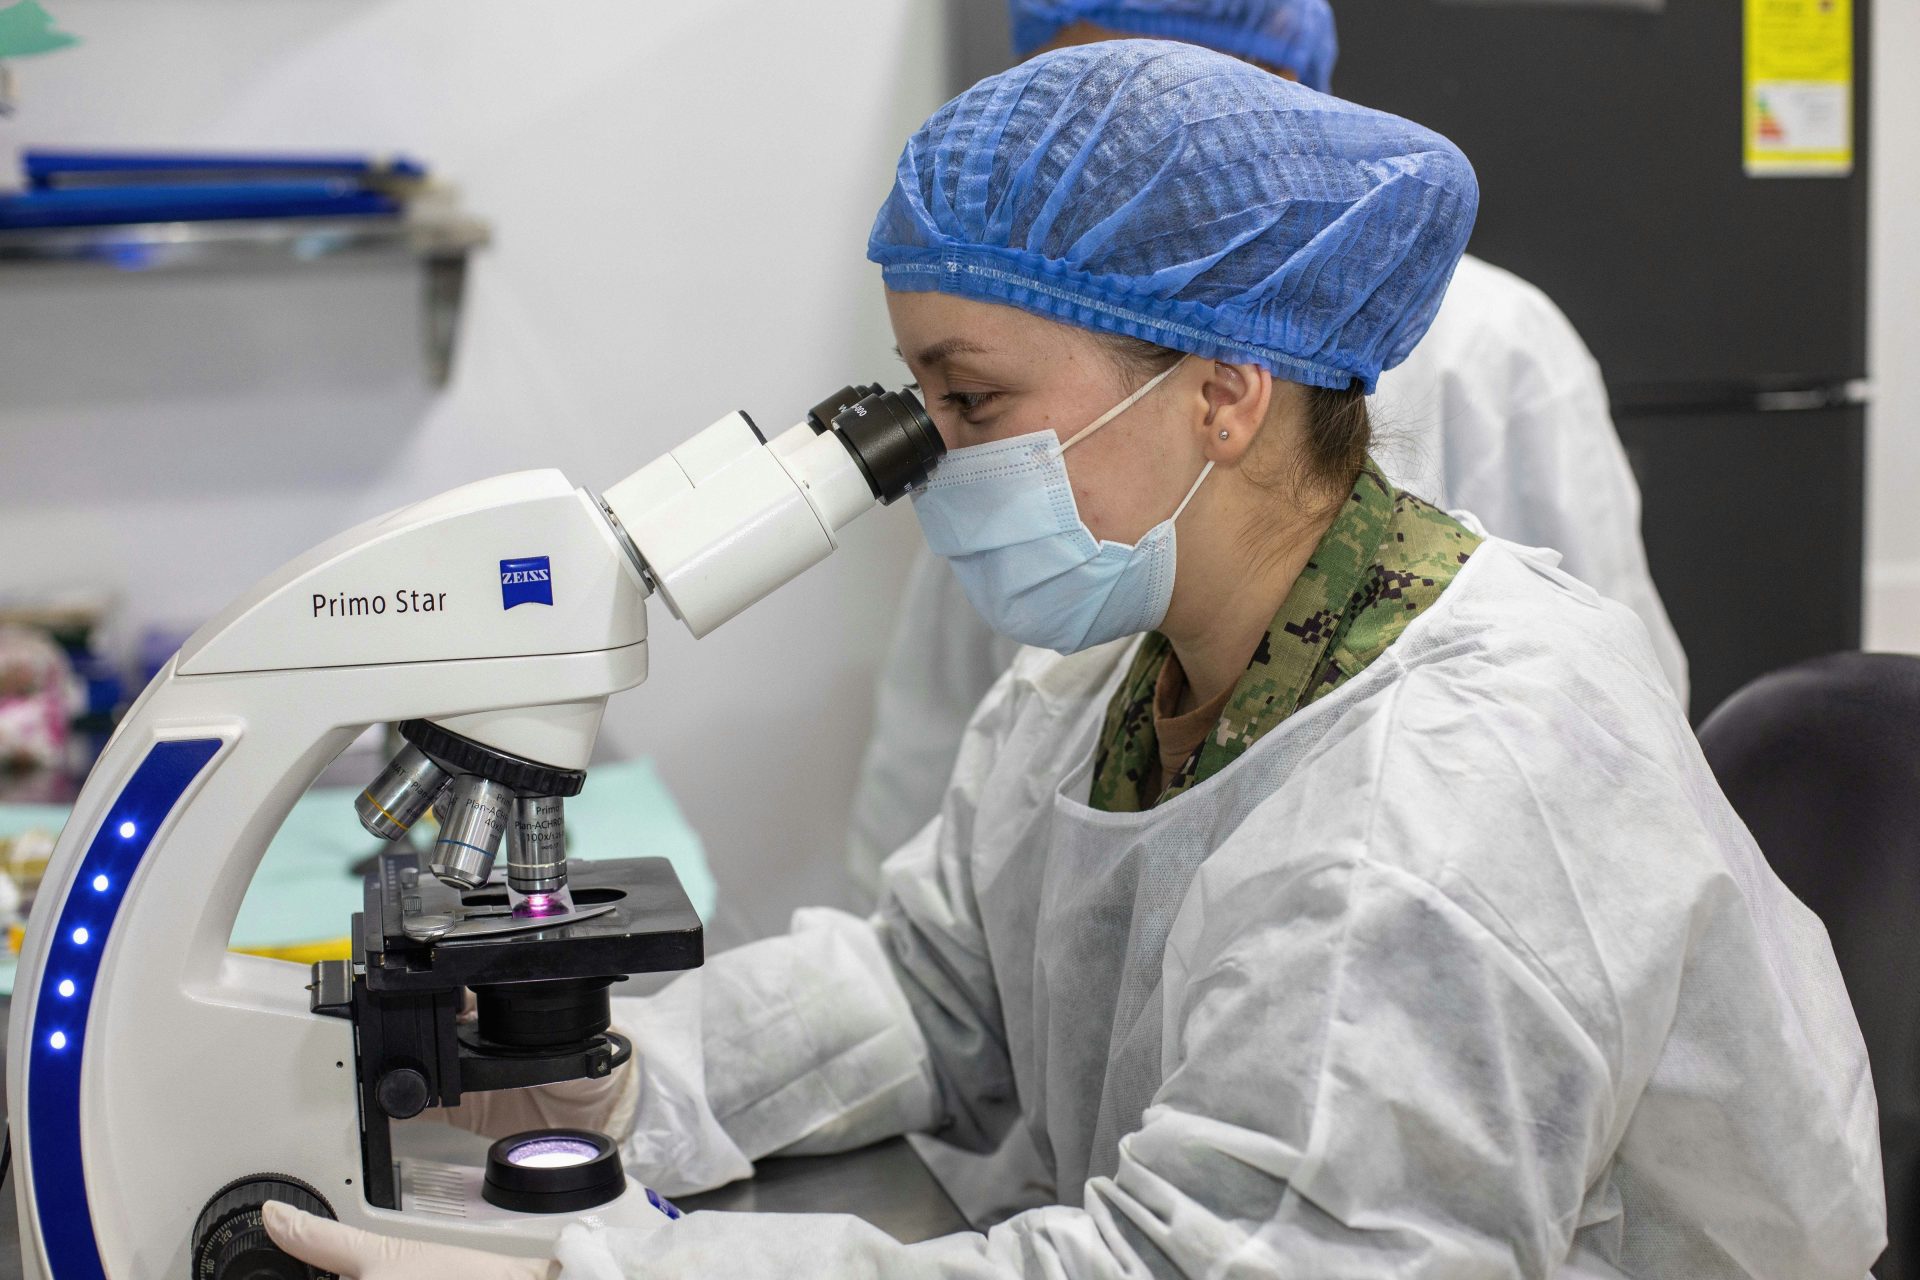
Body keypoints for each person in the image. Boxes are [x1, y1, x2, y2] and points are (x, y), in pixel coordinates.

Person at [269, 41, 1884, 1278]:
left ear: (1223, 392)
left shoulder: (1451, 802)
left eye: (971, 406)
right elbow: (931, 987)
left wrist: (641, 1266)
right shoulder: (1109, 677)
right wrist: (602, 1096)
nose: (929, 461)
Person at [845, 0, 1689, 903]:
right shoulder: (1079, 691)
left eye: (1145, 108)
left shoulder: (1417, 797)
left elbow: (1603, 743)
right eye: (1065, 127)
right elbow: (934, 885)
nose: (1093, 153)